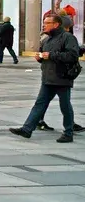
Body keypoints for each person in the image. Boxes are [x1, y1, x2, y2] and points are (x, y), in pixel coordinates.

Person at [9, 12, 79, 143]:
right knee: (39, 104)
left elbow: (72, 55)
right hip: (47, 78)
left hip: (62, 77)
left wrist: (51, 55)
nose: (44, 25)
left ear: (56, 24)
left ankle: (68, 132)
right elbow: (45, 55)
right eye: (44, 23)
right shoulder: (47, 39)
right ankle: (27, 129)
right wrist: (40, 57)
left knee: (65, 106)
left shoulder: (67, 37)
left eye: (47, 23)